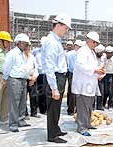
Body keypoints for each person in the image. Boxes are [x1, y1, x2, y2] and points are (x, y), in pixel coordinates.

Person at [42, 14, 72, 143]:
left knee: (57, 106)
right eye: (66, 28)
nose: (67, 31)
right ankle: (52, 135)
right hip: (54, 77)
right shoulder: (52, 42)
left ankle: (56, 129)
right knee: (53, 107)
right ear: (59, 25)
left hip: (59, 77)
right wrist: (54, 88)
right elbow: (49, 67)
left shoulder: (56, 41)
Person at [72, 31, 105, 136]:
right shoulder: (83, 51)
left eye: (97, 43)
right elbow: (81, 66)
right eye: (94, 42)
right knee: (82, 106)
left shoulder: (91, 52)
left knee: (89, 106)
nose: (95, 45)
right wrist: (95, 70)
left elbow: (92, 67)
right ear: (89, 40)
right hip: (83, 85)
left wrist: (98, 74)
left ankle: (87, 123)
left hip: (90, 84)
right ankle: (81, 127)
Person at [3, 33, 31, 132]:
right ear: (18, 43)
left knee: (23, 101)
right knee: (14, 103)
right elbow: (6, 67)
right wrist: (6, 78)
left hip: (23, 80)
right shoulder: (12, 54)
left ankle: (21, 120)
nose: (26, 46)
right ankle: (13, 124)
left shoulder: (22, 54)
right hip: (14, 79)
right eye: (25, 44)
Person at [0, 31, 12, 126]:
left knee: (6, 99)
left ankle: (4, 119)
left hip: (6, 77)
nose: (9, 43)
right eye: (7, 41)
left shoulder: (6, 52)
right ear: (1, 41)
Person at [66, 40, 82, 115]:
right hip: (74, 74)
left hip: (74, 74)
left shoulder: (71, 54)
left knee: (72, 92)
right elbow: (72, 67)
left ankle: (72, 109)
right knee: (74, 92)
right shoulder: (72, 55)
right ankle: (72, 110)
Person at [24, 42, 39, 118]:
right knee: (23, 97)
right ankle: (25, 113)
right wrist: (29, 78)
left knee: (33, 96)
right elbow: (22, 69)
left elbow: (36, 68)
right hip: (24, 78)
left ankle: (34, 112)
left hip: (33, 78)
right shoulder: (21, 57)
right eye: (26, 47)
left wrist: (34, 77)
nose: (28, 49)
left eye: (29, 47)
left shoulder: (32, 57)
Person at [103, 46, 113, 110]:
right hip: (104, 75)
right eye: (107, 53)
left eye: (110, 53)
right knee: (104, 90)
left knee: (110, 91)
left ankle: (110, 105)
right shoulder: (103, 59)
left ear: (112, 53)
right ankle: (103, 104)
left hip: (111, 76)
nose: (108, 54)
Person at [94, 44, 106, 110]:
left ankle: (99, 106)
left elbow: (104, 68)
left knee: (101, 92)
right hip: (93, 78)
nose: (101, 54)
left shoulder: (103, 58)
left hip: (101, 78)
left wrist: (102, 76)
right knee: (92, 92)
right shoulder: (93, 58)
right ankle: (92, 106)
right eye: (100, 53)